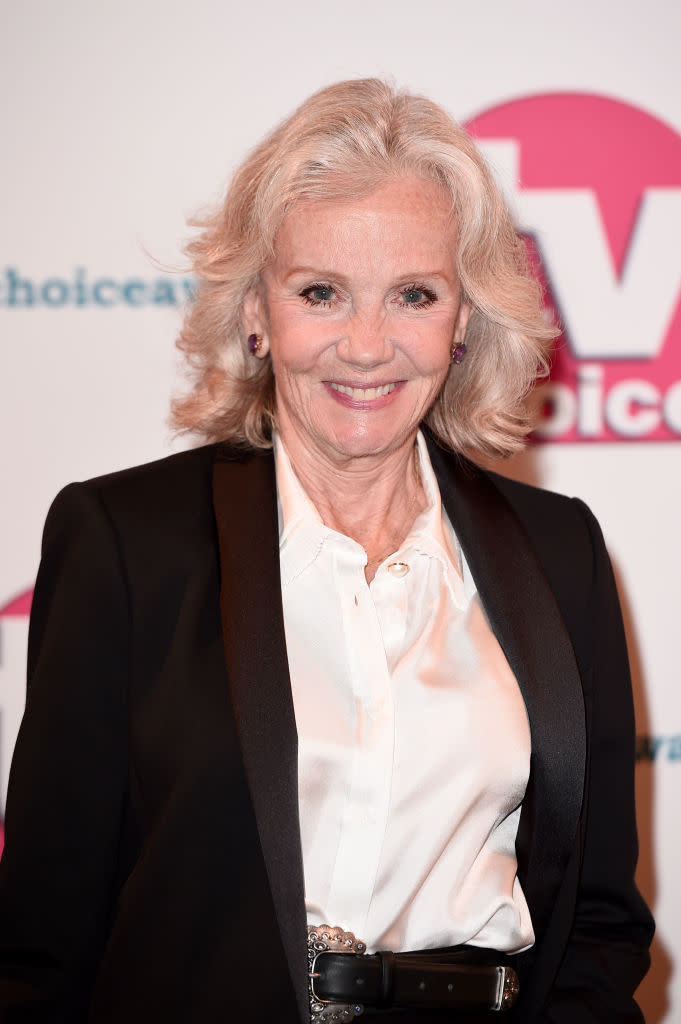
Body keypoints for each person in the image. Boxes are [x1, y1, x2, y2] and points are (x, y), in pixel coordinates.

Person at [0, 78, 653, 1023]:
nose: (365, 345)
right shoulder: (126, 544)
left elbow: (597, 917)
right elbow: (43, 933)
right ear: (256, 313)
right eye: (321, 293)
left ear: (463, 318)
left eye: (413, 295)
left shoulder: (560, 553)